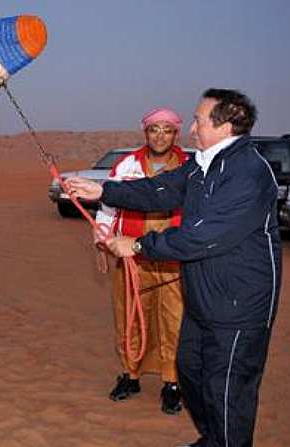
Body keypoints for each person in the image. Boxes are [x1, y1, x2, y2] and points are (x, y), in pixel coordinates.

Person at [65, 89, 281, 447]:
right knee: (191, 371)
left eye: (198, 119)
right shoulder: (202, 164)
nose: (191, 127)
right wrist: (103, 191)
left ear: (225, 125)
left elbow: (201, 237)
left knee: (228, 392)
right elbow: (160, 189)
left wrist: (136, 245)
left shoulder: (248, 173)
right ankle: (214, 439)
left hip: (238, 306)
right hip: (203, 299)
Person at [95, 108, 188, 415]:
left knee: (173, 319)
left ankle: (171, 383)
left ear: (176, 133)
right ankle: (130, 375)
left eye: (167, 130)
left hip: (173, 259)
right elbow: (109, 204)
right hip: (132, 256)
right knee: (130, 316)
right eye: (154, 129)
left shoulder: (190, 167)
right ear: (145, 132)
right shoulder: (127, 165)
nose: (160, 135)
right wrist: (103, 239)